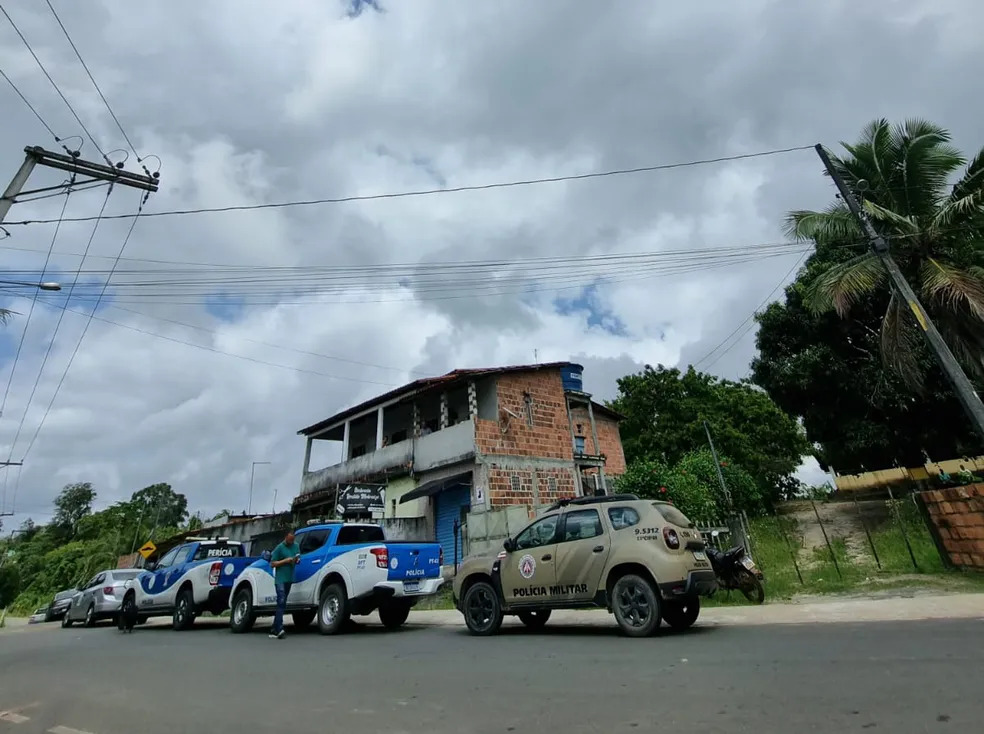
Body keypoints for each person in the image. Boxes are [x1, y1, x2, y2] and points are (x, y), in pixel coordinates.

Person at [268, 529, 301, 639]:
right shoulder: (279, 548)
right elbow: (272, 563)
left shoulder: (296, 546)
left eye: (292, 540)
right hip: (280, 579)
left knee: (283, 603)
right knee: (281, 600)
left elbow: (298, 557)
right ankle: (279, 628)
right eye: (289, 540)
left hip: (289, 578)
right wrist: (285, 561)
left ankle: (274, 627)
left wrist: (296, 560)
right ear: (285, 537)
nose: (291, 542)